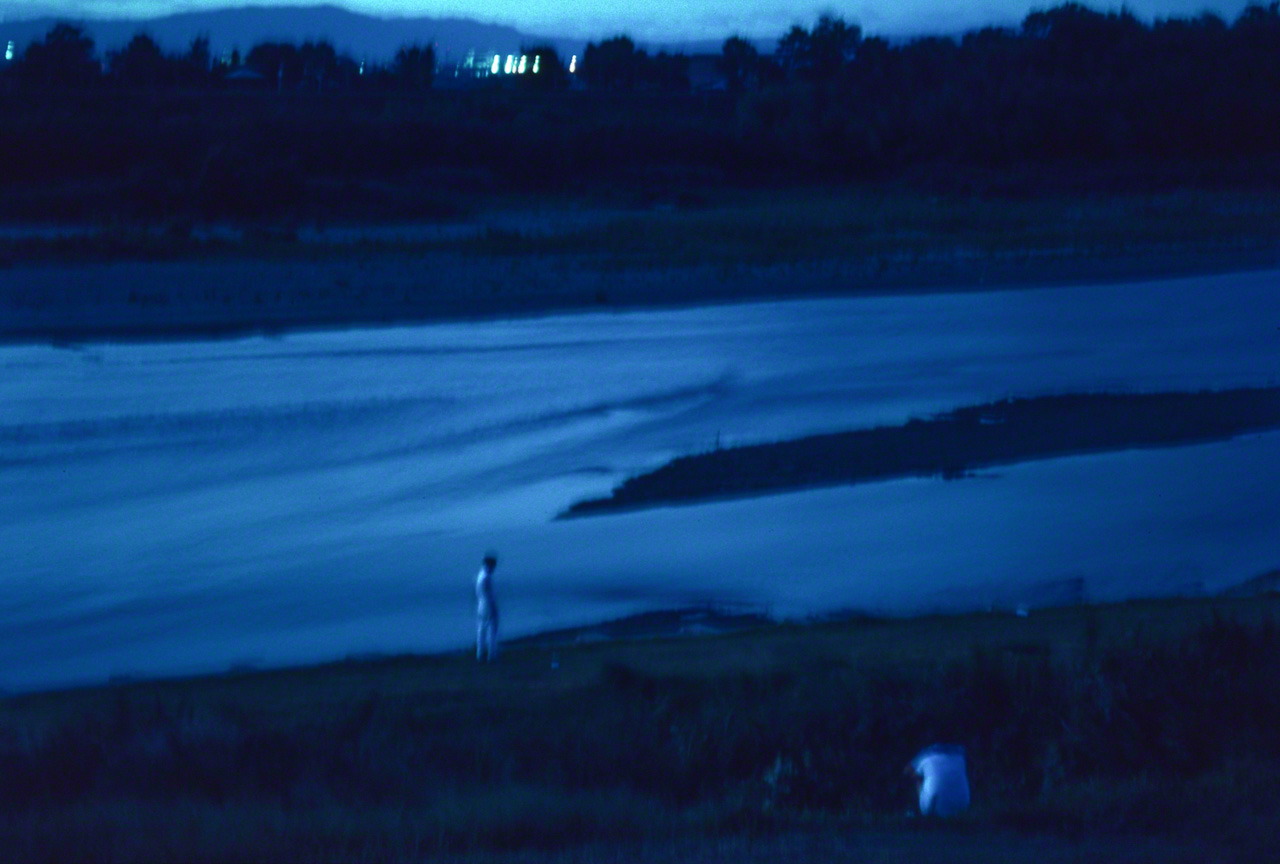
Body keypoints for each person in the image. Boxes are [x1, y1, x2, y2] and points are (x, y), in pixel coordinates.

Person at [908, 744, 970, 817]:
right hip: (963, 806)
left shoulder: (925, 754)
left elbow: (907, 772)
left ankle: (916, 811)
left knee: (915, 777)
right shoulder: (960, 753)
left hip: (933, 808)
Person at [475, 553, 500, 662]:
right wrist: (493, 608)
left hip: (481, 605)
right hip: (487, 605)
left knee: (481, 630)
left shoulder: (480, 575)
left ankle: (480, 654)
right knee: (492, 631)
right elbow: (489, 595)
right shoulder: (486, 578)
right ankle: (492, 656)